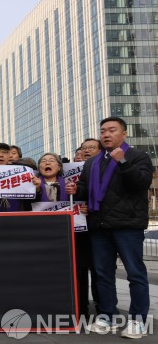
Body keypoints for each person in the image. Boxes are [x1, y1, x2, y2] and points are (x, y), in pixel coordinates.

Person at [68, 117, 153, 338]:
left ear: (124, 134)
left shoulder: (138, 156)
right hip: (99, 225)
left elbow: (141, 183)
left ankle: (138, 320)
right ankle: (107, 315)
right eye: (103, 130)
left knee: (135, 274)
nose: (106, 134)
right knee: (103, 273)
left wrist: (123, 162)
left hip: (127, 225)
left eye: (112, 130)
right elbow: (85, 189)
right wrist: (74, 190)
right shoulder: (92, 162)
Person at [34, 153, 92, 318]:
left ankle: (80, 310)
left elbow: (85, 201)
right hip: (44, 238)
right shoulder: (31, 185)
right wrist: (36, 189)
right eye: (43, 161)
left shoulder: (71, 184)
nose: (47, 163)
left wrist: (85, 209)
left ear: (59, 167)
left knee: (77, 273)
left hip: (72, 236)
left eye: (51, 161)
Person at [0, 142, 39, 212]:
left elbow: (30, 203)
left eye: (4, 152)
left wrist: (37, 190)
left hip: (16, 219)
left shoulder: (21, 174)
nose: (0, 155)